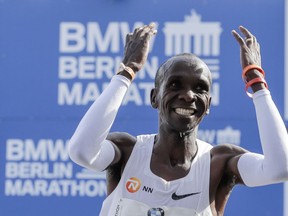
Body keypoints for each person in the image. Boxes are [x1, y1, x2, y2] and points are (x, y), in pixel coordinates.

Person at [68, 23, 288, 215]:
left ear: (208, 105)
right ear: (155, 98)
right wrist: (127, 72)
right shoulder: (126, 152)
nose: (188, 95)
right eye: (175, 84)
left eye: (200, 88)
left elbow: (281, 168)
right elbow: (81, 152)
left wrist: (256, 81)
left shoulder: (219, 164)